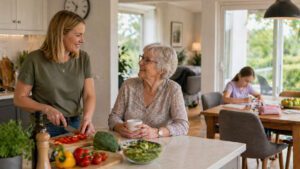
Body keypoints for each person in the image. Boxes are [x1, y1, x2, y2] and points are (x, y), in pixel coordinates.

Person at [14, 10, 96, 137]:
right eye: (78, 35)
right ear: (61, 34)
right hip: (44, 128)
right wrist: (46, 109)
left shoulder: (83, 58)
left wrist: (87, 118)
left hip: (74, 125)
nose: (82, 40)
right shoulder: (34, 59)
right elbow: (19, 98)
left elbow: (89, 95)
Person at [108, 44, 189, 139]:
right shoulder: (128, 85)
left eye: (147, 60)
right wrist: (119, 127)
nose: (140, 62)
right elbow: (114, 117)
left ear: (162, 69)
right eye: (142, 58)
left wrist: (157, 132)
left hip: (160, 148)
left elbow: (183, 125)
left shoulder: (173, 89)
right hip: (127, 146)